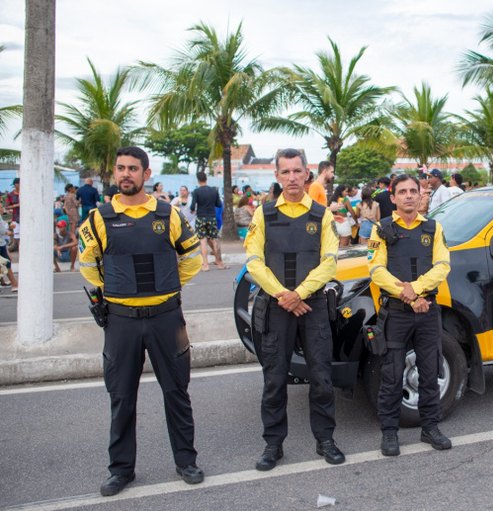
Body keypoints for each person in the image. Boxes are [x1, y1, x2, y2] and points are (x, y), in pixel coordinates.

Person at [77, 146, 204, 496]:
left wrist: (167, 284)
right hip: (122, 322)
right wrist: (117, 289)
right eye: (120, 168)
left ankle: (186, 461)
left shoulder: (169, 214)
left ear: (146, 174)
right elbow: (87, 264)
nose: (126, 174)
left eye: (133, 168)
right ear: (114, 173)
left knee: (176, 392)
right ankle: (121, 469)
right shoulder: (99, 218)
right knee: (121, 397)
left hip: (166, 317)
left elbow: (192, 258)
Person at [244, 147, 345, 470]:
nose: (291, 177)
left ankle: (325, 439)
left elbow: (330, 263)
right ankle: (273, 445)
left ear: (306, 174)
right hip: (276, 308)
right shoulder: (264, 214)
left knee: (321, 377)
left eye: (297, 171)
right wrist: (283, 295)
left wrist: (299, 294)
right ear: (277, 175)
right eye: (285, 172)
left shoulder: (322, 214)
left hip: (312, 306)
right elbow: (253, 262)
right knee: (274, 379)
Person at [368, 174, 452, 457]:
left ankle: (430, 428)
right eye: (401, 191)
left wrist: (415, 291)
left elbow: (442, 266)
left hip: (427, 310)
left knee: (430, 372)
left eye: (412, 191)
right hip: (397, 313)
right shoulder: (381, 229)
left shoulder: (433, 227)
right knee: (392, 375)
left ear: (420, 195)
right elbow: (376, 270)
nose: (407, 196)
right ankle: (389, 433)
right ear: (392, 197)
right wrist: (408, 296)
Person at [190, 171, 226, 271]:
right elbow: (219, 204)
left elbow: (192, 206)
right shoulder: (214, 190)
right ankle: (219, 263)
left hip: (201, 217)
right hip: (211, 217)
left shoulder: (196, 192)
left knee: (203, 241)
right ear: (206, 178)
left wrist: (194, 209)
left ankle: (205, 265)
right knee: (215, 239)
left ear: (198, 180)